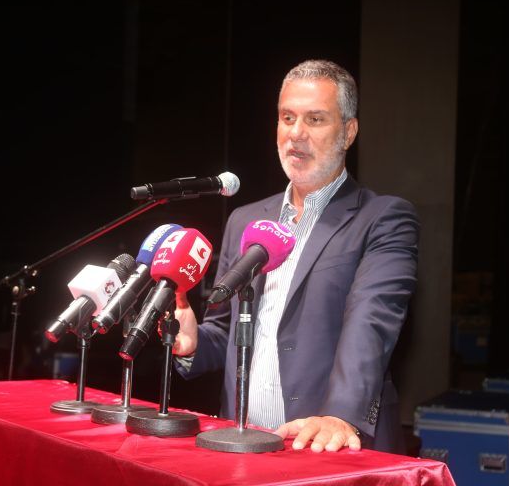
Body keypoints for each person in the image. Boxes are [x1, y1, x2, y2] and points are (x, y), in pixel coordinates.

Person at [173, 59, 419, 454]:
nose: (296, 133)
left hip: (328, 446)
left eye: (315, 119)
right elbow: (228, 332)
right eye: (287, 118)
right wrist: (192, 342)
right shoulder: (245, 220)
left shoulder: (383, 218)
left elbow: (371, 321)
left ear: (349, 132)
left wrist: (340, 414)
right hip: (242, 446)